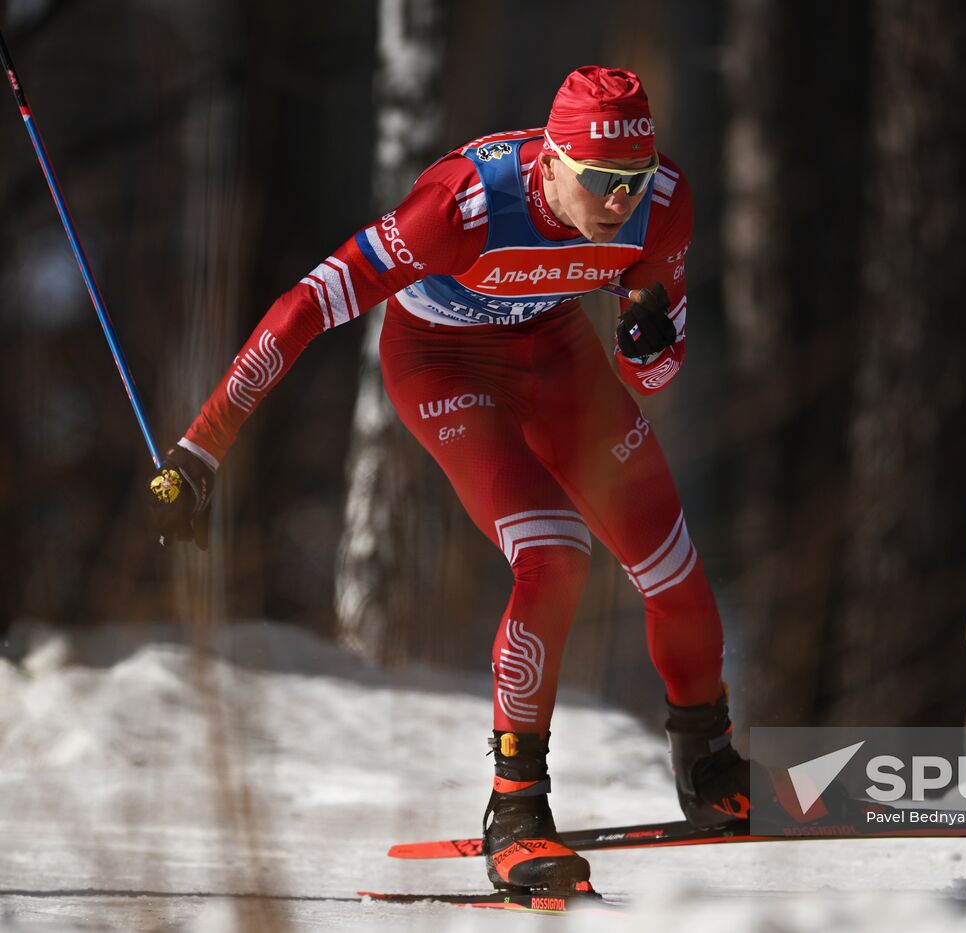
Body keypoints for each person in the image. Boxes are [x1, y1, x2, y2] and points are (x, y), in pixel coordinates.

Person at [149, 66, 753, 893]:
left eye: (635, 180)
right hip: (440, 361)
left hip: (553, 352)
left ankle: (709, 762)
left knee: (670, 562)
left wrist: (646, 335)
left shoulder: (663, 201)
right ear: (549, 162)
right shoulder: (464, 207)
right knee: (555, 554)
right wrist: (202, 447)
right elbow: (309, 303)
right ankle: (516, 810)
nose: (621, 202)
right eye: (602, 181)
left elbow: (654, 372)